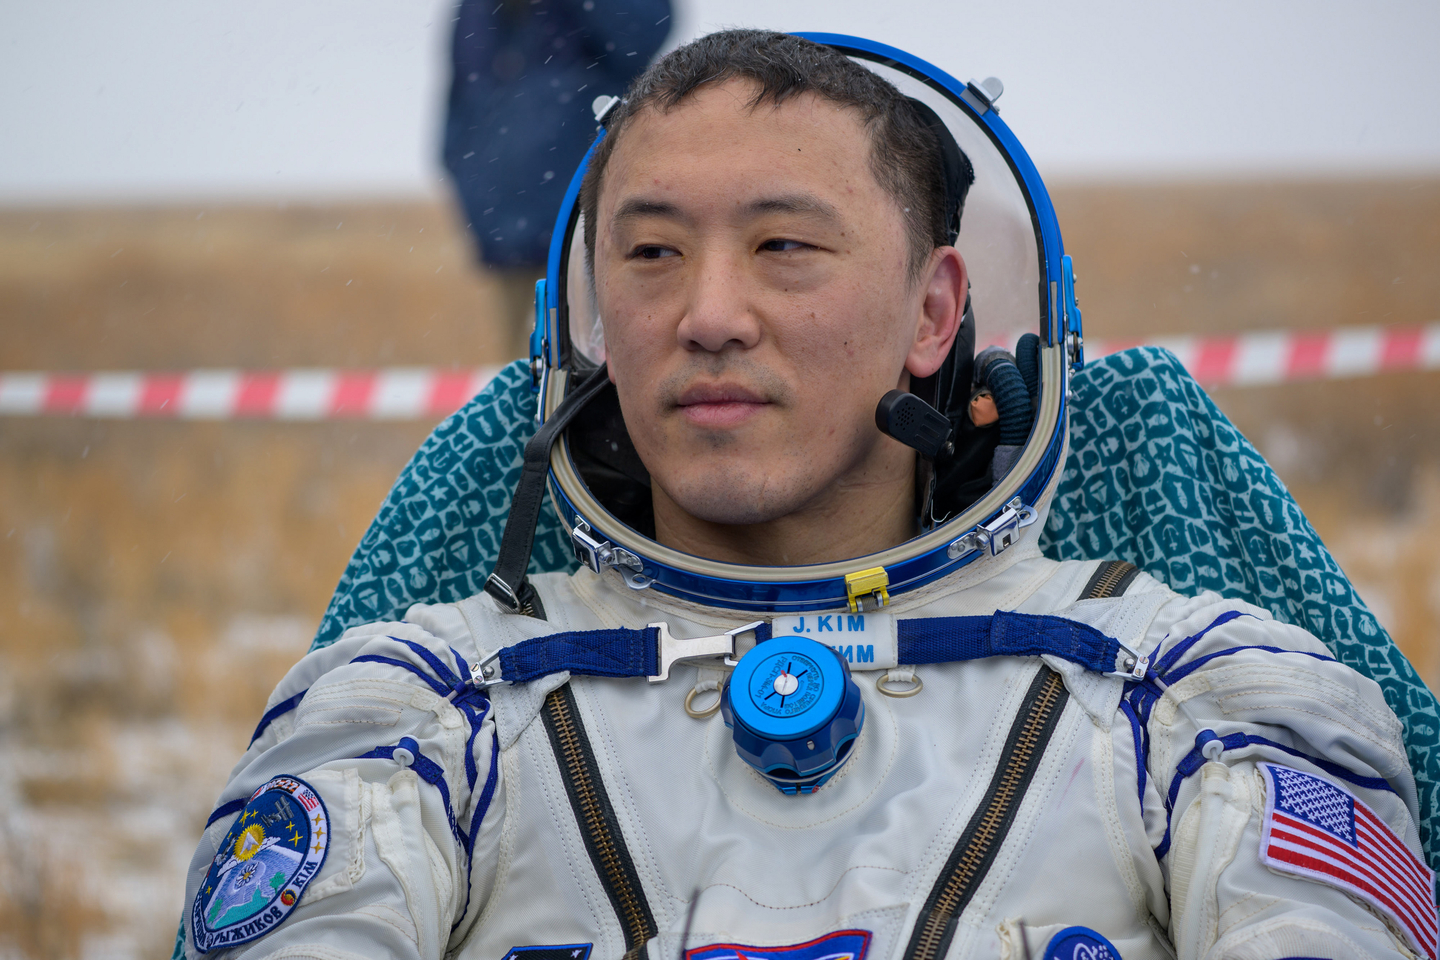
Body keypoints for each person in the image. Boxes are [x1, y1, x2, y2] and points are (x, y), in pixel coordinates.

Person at [181, 31, 1437, 960]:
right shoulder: (423, 713)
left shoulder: (1189, 696)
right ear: (595, 322)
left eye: (784, 246)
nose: (710, 315)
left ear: (934, 312)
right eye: (651, 253)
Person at [443, 0, 671, 360]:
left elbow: (642, 34)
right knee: (523, 377)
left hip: (591, 234)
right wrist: (476, 187)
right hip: (508, 240)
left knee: (597, 368)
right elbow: (461, 103)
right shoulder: (475, 9)